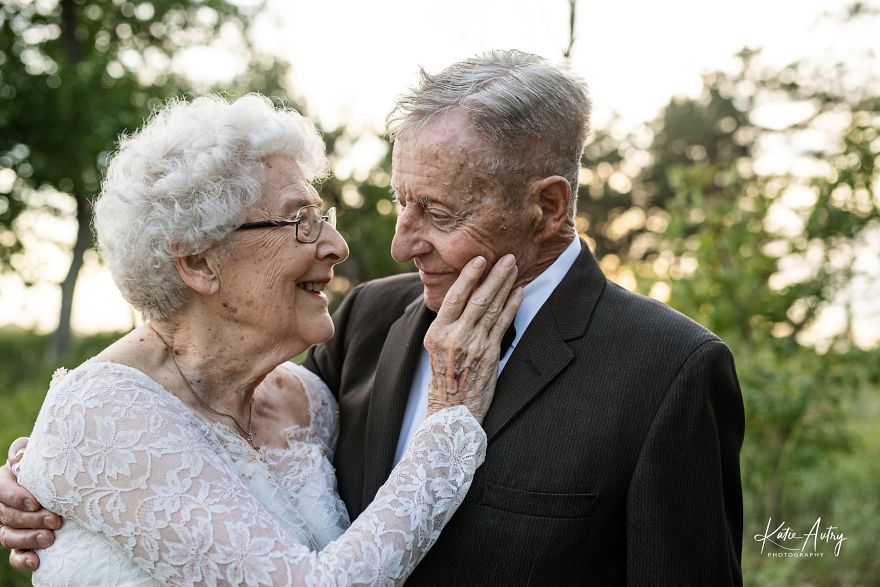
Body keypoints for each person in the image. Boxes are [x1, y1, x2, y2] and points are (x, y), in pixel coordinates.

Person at [2, 50, 744, 585]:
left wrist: (68, 464)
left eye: (437, 212)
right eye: (402, 202)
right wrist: (52, 469)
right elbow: (175, 425)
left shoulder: (667, 372)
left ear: (547, 207)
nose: (395, 244)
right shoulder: (369, 318)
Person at [0, 93, 521, 585]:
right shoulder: (101, 415)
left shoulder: (306, 400)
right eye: (301, 222)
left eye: (323, 218)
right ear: (200, 262)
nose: (337, 245)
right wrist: (450, 424)